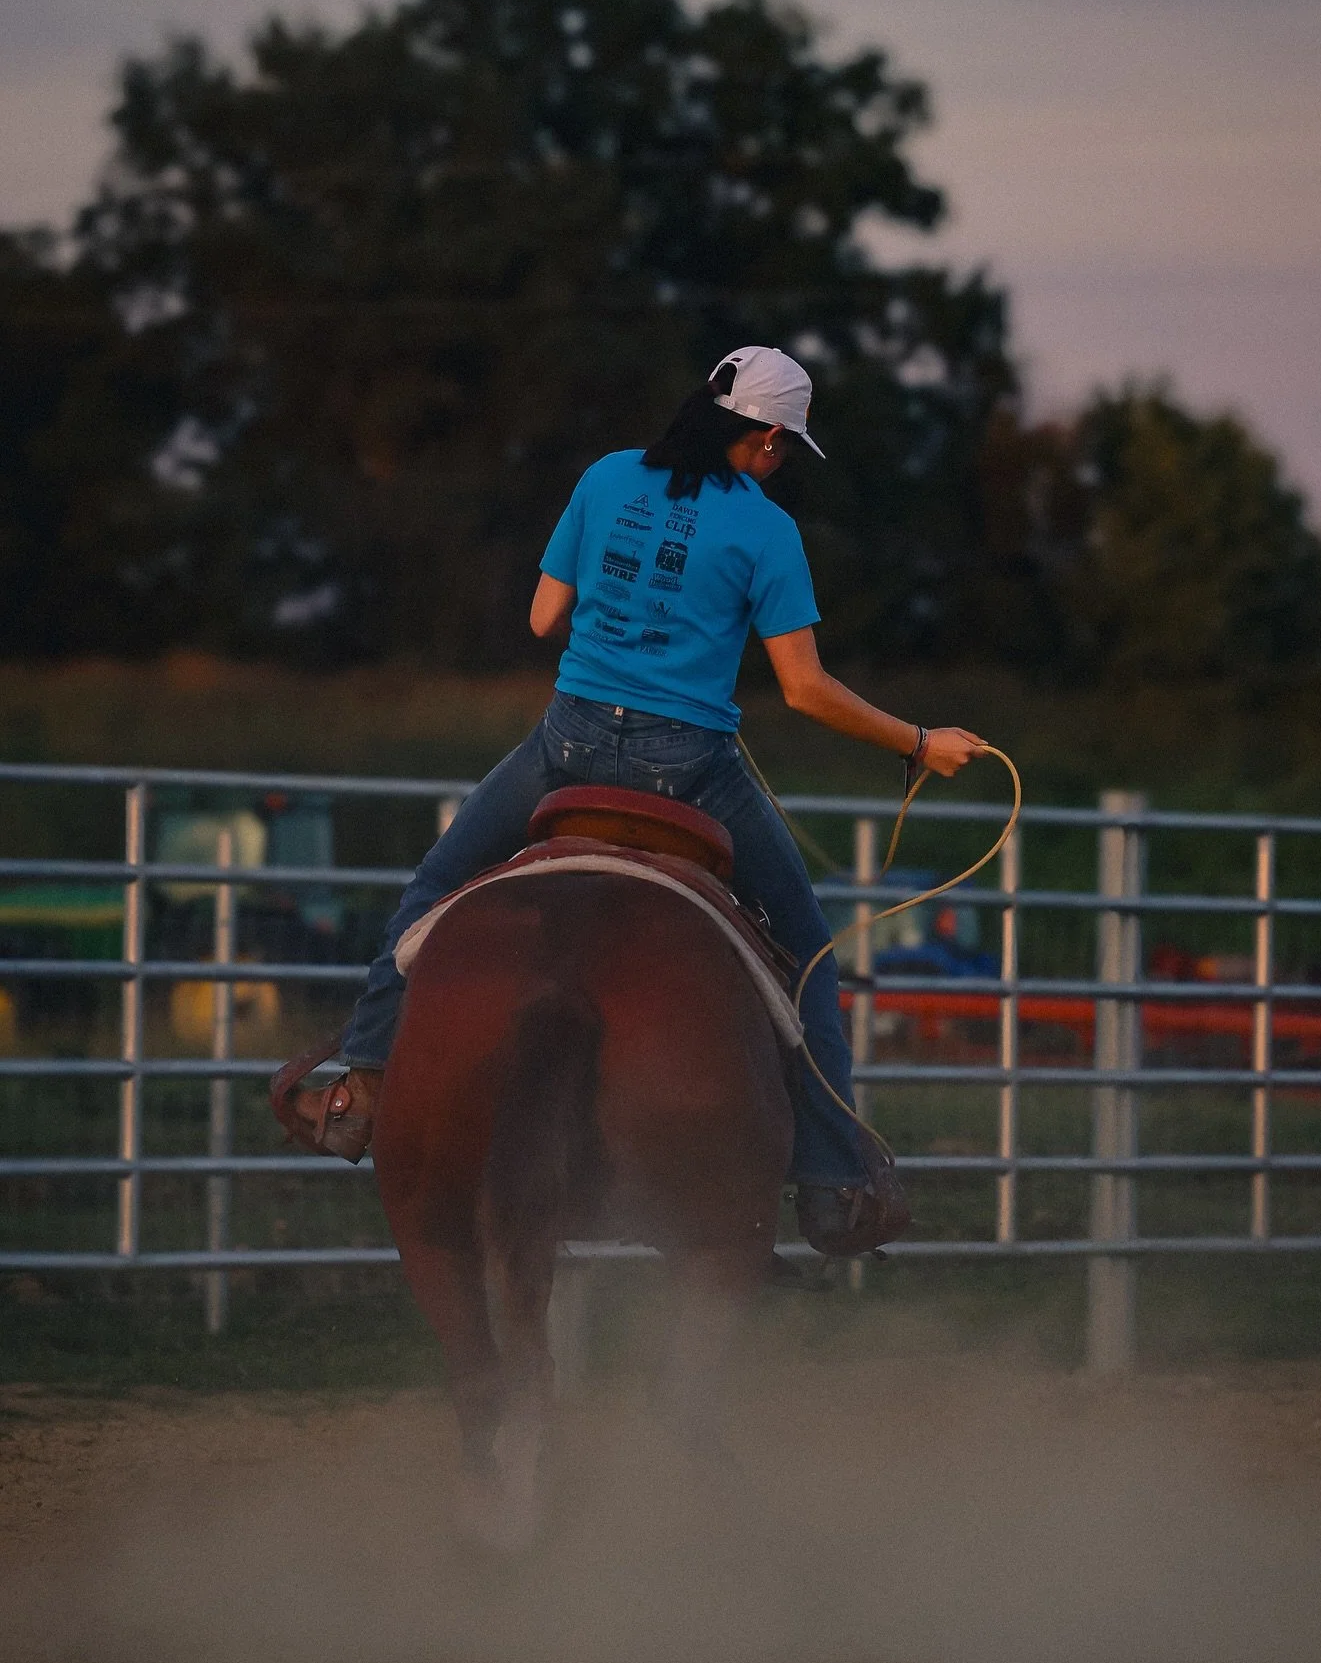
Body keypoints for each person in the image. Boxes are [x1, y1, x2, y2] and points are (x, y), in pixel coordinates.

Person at [293, 345, 986, 1253]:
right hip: (689, 762)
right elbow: (806, 691)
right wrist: (919, 744)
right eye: (785, 447)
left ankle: (359, 1086)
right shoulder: (767, 530)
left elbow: (543, 619)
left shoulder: (608, 475)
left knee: (432, 888)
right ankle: (831, 1177)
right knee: (811, 949)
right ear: (768, 437)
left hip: (568, 744)